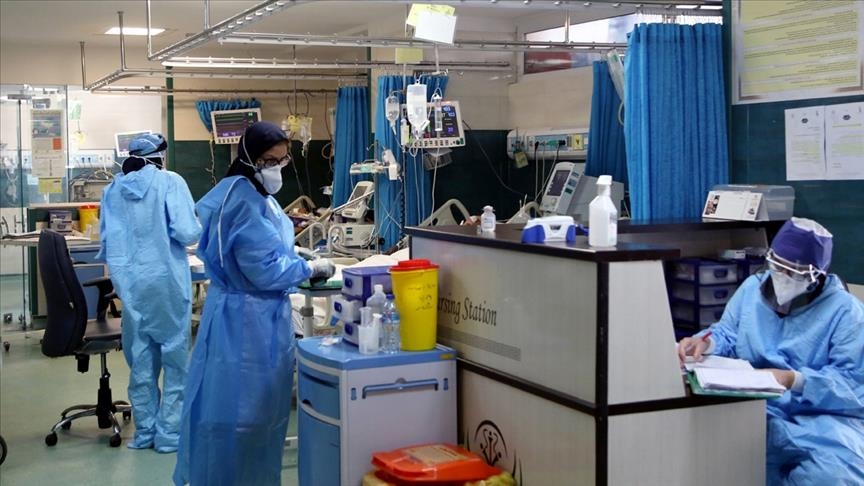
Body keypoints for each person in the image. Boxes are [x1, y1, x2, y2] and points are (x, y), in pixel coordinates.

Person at [173, 121, 335, 485]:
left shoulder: (246, 191)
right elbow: (263, 270)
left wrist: (293, 253)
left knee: (243, 412)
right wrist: (308, 267)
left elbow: (261, 248)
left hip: (242, 314)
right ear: (249, 158)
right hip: (248, 322)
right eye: (268, 161)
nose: (276, 168)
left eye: (282, 160)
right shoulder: (245, 201)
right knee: (246, 416)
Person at [678, 217, 864, 485]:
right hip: (761, 409)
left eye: (794, 272)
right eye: (778, 266)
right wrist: (706, 342)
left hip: (824, 421)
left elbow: (852, 383)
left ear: (817, 275)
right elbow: (728, 332)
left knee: (833, 475)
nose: (783, 277)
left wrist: (792, 379)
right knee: (728, 458)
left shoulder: (846, 312)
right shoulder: (752, 289)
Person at [98, 133, 202, 452]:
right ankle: (169, 434)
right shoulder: (170, 182)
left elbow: (107, 240)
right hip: (165, 281)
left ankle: (144, 432)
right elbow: (186, 232)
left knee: (141, 357)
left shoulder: (112, 190)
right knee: (174, 357)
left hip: (130, 285)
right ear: (159, 156)